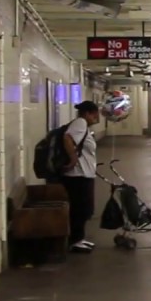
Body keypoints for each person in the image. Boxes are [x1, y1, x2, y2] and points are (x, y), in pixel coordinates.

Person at [61, 100, 101, 253]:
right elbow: (67, 139)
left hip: (83, 175)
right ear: (88, 113)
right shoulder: (80, 123)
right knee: (80, 209)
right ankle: (75, 241)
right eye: (95, 115)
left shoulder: (82, 125)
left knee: (84, 209)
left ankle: (79, 238)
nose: (96, 119)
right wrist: (73, 159)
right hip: (77, 176)